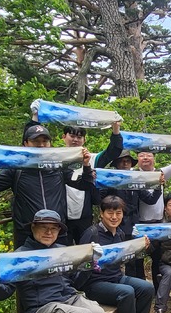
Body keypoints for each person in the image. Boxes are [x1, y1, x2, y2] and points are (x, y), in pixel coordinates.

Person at [0, 124, 95, 248]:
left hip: (56, 232)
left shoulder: (58, 167)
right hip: (27, 235)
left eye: (45, 141)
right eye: (36, 141)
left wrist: (86, 166)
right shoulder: (15, 169)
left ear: (50, 144)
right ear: (25, 144)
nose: (41, 145)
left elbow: (85, 185)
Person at [28, 100, 123, 244]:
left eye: (79, 137)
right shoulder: (53, 158)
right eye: (72, 136)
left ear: (84, 139)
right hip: (61, 217)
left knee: (85, 252)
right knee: (63, 253)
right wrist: (35, 117)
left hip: (84, 217)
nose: (75, 140)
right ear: (63, 137)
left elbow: (113, 151)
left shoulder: (91, 159)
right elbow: (31, 148)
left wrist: (116, 129)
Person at [77, 195, 155, 313]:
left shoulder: (119, 233)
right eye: (110, 213)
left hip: (116, 278)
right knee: (127, 292)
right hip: (94, 283)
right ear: (101, 213)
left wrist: (141, 248)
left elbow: (124, 259)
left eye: (118, 213)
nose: (114, 217)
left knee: (147, 288)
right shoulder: (92, 234)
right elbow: (79, 266)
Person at [101, 150, 163, 279]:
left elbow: (150, 200)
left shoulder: (136, 182)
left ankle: (139, 291)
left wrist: (158, 186)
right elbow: (99, 200)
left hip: (134, 227)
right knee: (115, 261)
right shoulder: (111, 181)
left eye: (127, 161)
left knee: (135, 260)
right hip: (115, 226)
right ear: (116, 164)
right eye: (121, 161)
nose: (125, 164)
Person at [135, 151, 171, 284]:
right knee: (138, 260)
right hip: (139, 224)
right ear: (137, 158)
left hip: (159, 223)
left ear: (154, 158)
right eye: (142, 155)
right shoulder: (132, 175)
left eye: (148, 155)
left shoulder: (161, 173)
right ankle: (141, 289)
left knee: (158, 259)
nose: (145, 158)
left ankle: (157, 290)